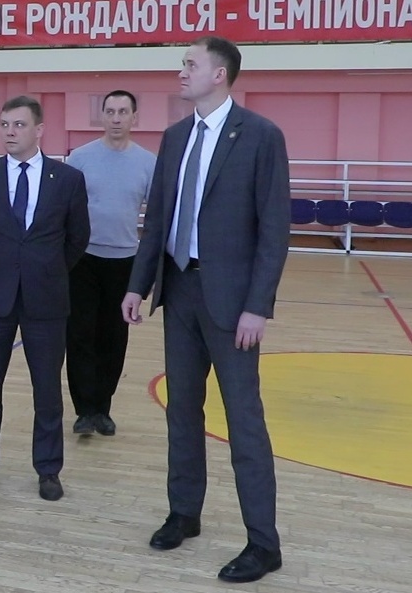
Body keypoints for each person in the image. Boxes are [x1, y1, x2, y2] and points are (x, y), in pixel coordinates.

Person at [120, 36, 290, 583]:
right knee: (182, 412)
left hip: (234, 305)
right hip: (179, 293)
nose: (181, 71)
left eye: (190, 64)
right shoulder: (174, 138)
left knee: (244, 422)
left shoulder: (261, 135)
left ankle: (263, 543)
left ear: (220, 74)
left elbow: (274, 230)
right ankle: (184, 513)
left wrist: (258, 307)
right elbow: (157, 220)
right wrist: (138, 285)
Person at [0, 96, 90, 501]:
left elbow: (77, 238)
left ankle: (48, 470)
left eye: (18, 125)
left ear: (39, 130)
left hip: (46, 298)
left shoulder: (67, 179)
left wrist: (44, 269)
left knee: (47, 390)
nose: (10, 132)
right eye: (4, 124)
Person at [65, 90, 156, 437]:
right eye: (110, 111)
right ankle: (84, 411)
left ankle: (103, 408)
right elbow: (63, 209)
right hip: (82, 260)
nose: (116, 118)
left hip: (124, 262)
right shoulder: (80, 158)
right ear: (102, 116)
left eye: (123, 112)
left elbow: (157, 218)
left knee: (113, 338)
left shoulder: (148, 163)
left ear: (135, 118)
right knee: (79, 335)